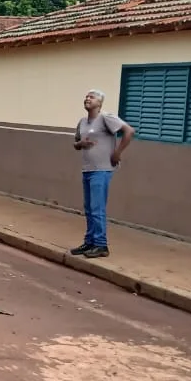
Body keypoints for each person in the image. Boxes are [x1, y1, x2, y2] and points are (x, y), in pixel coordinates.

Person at [71, 89, 133, 259]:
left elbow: (129, 131)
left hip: (102, 169)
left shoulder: (106, 117)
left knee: (97, 208)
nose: (87, 99)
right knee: (89, 208)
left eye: (92, 97)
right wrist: (80, 144)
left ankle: (101, 245)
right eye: (86, 97)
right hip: (87, 169)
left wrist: (117, 153)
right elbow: (75, 143)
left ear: (100, 103)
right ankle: (89, 241)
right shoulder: (82, 122)